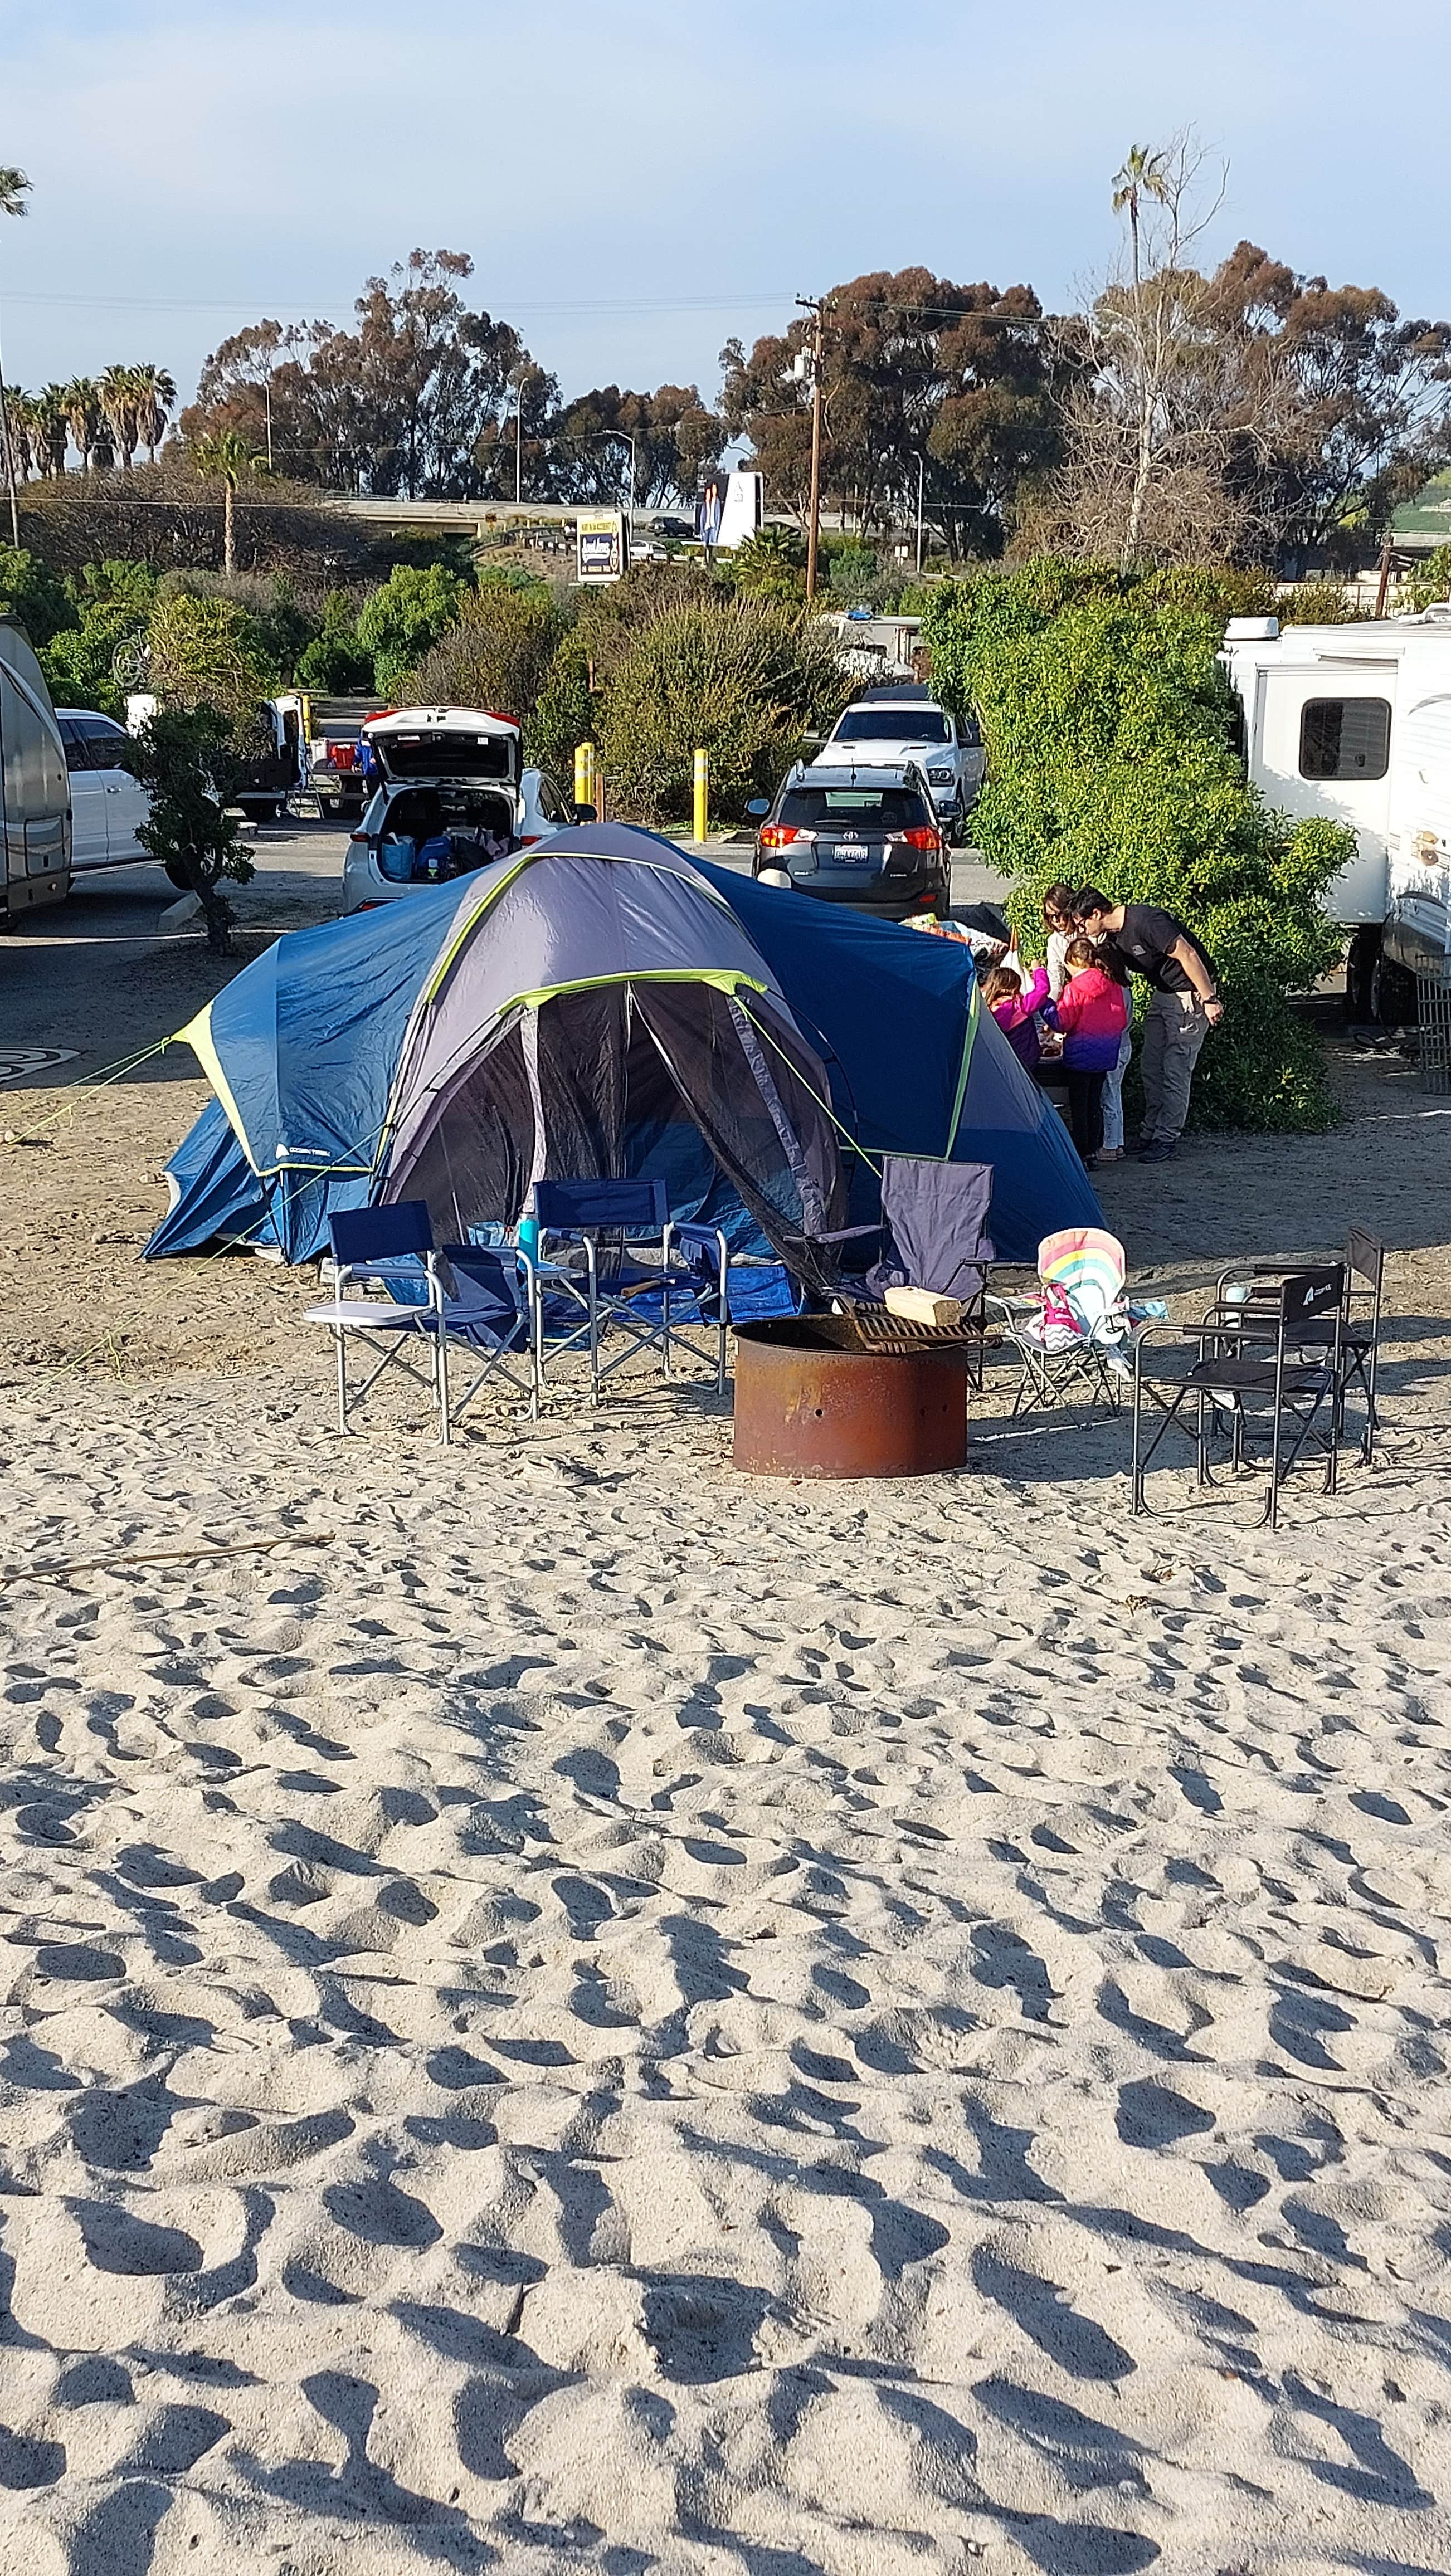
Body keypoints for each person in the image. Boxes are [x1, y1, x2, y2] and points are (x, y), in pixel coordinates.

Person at [1073, 887, 1223, 1163]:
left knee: (1176, 1069)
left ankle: (1166, 1137)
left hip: (1189, 995)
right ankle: (1150, 1131)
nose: (1082, 930)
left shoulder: (1146, 921)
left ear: (1096, 913)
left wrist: (1209, 998)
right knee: (1151, 1067)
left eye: (1083, 924)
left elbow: (1188, 954)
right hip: (1163, 995)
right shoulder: (1114, 938)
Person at [1041, 936, 1129, 1165]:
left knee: (1079, 1107)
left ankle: (1081, 1154)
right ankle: (1093, 1150)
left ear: (1075, 963)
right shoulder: (1113, 984)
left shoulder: (1075, 989)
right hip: (1105, 1055)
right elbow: (1121, 1020)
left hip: (1080, 1056)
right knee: (1094, 1104)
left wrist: (1045, 1005)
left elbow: (1062, 1022)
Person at [983, 958, 1050, 1071]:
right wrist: (1037, 970)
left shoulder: (989, 1011)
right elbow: (1042, 990)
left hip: (1005, 1062)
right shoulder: (1020, 1007)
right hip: (1027, 1061)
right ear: (1014, 988)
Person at [1040, 881, 1079, 1001]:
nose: (1054, 921)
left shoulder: (1087, 929)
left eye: (1057, 915)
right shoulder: (1054, 941)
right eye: (1049, 916)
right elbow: (1055, 978)